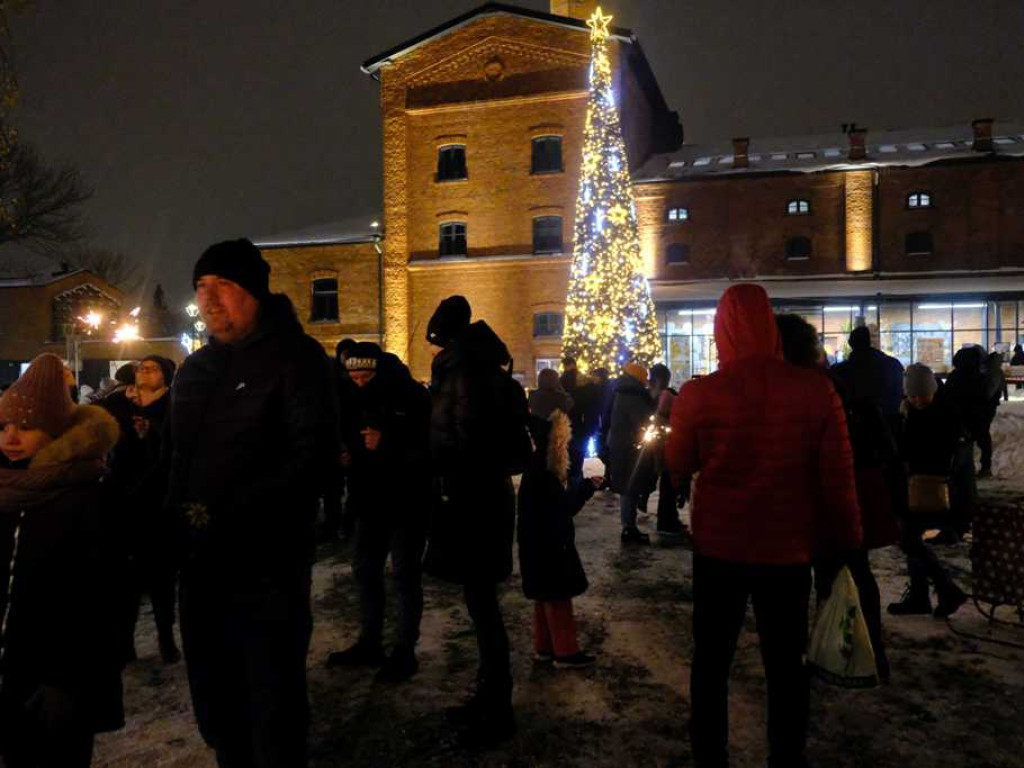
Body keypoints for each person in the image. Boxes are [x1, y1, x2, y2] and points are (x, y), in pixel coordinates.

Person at [666, 285, 861, 768]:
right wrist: (848, 544)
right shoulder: (815, 391)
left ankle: (710, 755)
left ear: (721, 331)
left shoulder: (699, 393)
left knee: (711, 661)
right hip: (787, 550)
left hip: (719, 550)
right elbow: (838, 477)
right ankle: (786, 757)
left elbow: (679, 461)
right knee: (785, 666)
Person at [165, 239, 338, 767]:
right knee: (217, 707)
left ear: (256, 293)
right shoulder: (195, 371)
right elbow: (173, 463)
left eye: (225, 286)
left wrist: (231, 513)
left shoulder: (296, 358)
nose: (210, 300)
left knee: (270, 704)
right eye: (201, 288)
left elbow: (312, 460)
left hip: (267, 566)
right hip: (199, 568)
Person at [0, 354, 124, 767]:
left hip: (55, 682)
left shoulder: (84, 496)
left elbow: (98, 598)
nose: (10, 437)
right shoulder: (6, 491)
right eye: (3, 427)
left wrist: (65, 681)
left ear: (54, 433)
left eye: (26, 427)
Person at [424, 295, 529, 747]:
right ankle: (488, 695)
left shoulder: (465, 373)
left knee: (484, 607)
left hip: (474, 499)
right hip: (484, 496)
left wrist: (443, 477)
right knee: (481, 604)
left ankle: (497, 707)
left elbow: (466, 440)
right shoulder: (484, 367)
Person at [777, 314, 895, 682]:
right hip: (853, 490)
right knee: (850, 572)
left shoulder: (810, 389)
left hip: (825, 497)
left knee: (830, 575)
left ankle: (841, 651)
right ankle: (859, 650)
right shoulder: (837, 380)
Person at [326, 342, 431, 683]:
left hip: (405, 502)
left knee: (404, 576)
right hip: (368, 501)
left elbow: (428, 448)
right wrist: (347, 456)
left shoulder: (409, 396)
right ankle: (370, 642)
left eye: (364, 376)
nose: (359, 383)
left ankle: (404, 651)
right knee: (366, 571)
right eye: (353, 377)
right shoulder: (350, 395)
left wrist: (388, 443)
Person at [110, 354, 181, 665]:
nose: (145, 371)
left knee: (161, 576)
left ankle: (166, 637)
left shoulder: (174, 403)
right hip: (122, 499)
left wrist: (151, 429)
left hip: (159, 499)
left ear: (164, 377)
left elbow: (178, 443)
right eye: (141, 367)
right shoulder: (118, 401)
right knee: (124, 578)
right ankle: (125, 641)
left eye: (152, 369)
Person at [517, 409, 600, 669]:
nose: (566, 446)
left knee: (544, 596)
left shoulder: (536, 468)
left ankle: (544, 646)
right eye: (562, 441)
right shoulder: (545, 475)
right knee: (558, 596)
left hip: (536, 544)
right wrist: (587, 488)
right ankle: (565, 651)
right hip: (552, 545)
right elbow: (562, 509)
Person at [887, 364, 969, 618]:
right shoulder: (915, 412)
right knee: (909, 538)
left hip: (936, 489)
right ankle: (922, 596)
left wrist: (906, 424)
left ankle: (944, 589)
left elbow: (917, 451)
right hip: (918, 487)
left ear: (932, 390)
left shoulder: (944, 415)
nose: (917, 400)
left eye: (921, 395)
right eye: (911, 396)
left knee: (910, 539)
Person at [607, 361, 654, 544]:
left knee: (628, 487)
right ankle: (629, 529)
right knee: (630, 487)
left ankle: (629, 526)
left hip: (621, 445)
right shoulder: (632, 395)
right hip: (629, 447)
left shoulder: (621, 391)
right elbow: (641, 422)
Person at [321, 337, 358, 542]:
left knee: (348, 489)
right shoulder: (335, 379)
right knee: (332, 490)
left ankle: (345, 526)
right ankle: (334, 526)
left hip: (350, 439)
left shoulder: (346, 379)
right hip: (337, 440)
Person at [645, 363, 687, 540]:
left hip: (659, 444)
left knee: (667, 483)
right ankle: (667, 521)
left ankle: (668, 519)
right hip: (667, 443)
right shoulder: (666, 395)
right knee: (669, 484)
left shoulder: (652, 395)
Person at [978, 350, 1006, 477]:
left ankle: (985, 466)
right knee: (983, 435)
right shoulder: (997, 371)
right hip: (989, 407)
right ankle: (985, 466)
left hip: (984, 407)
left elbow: (987, 392)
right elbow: (1002, 386)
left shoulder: (988, 372)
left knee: (982, 435)